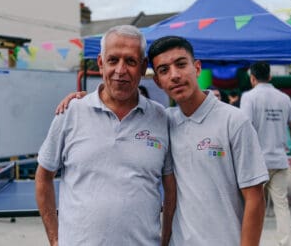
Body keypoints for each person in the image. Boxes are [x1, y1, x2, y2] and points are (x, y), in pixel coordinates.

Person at [58, 36, 269, 246]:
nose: (174, 75)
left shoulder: (234, 121)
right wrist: (83, 100)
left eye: (181, 64)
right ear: (158, 81)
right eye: (164, 70)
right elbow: (120, 106)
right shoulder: (162, 120)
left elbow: (255, 199)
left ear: (197, 68)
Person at [35, 25, 176, 246]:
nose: (121, 70)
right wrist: (55, 240)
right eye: (113, 60)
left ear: (143, 67)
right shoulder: (70, 113)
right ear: (101, 63)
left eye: (130, 61)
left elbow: (171, 190)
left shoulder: (161, 118)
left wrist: (165, 241)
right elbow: (43, 177)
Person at [240, 61, 291, 246]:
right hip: (279, 159)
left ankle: (250, 241)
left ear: (252, 78)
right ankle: (284, 242)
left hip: (256, 162)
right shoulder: (283, 98)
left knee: (252, 204)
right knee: (281, 204)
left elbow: (245, 128)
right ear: (270, 76)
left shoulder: (249, 97)